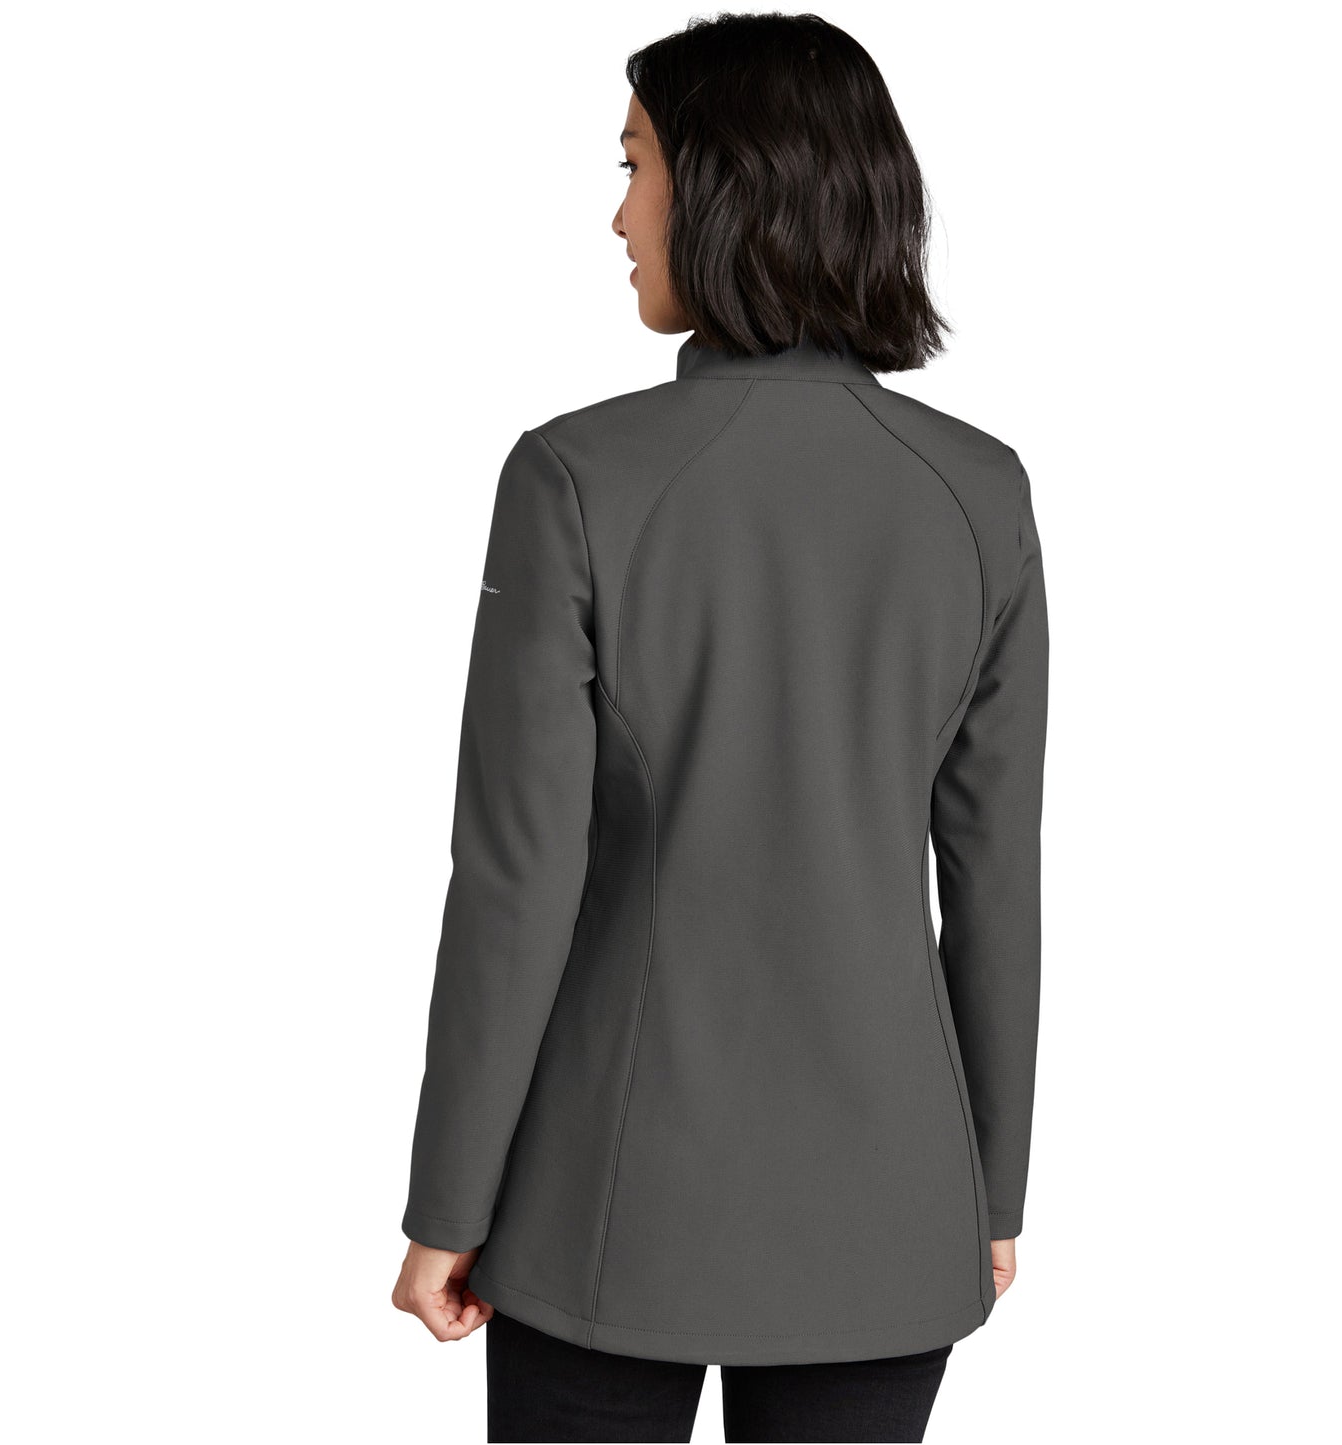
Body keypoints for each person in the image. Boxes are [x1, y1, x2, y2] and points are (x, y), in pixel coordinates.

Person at [391, 13, 1049, 1443]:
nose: (617, 214)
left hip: (601, 1203)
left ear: (726, 186)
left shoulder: (573, 476)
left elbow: (514, 880)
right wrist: (990, 1189)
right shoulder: (980, 493)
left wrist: (447, 1204)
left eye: (635, 165)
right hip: (893, 1206)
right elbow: (994, 880)